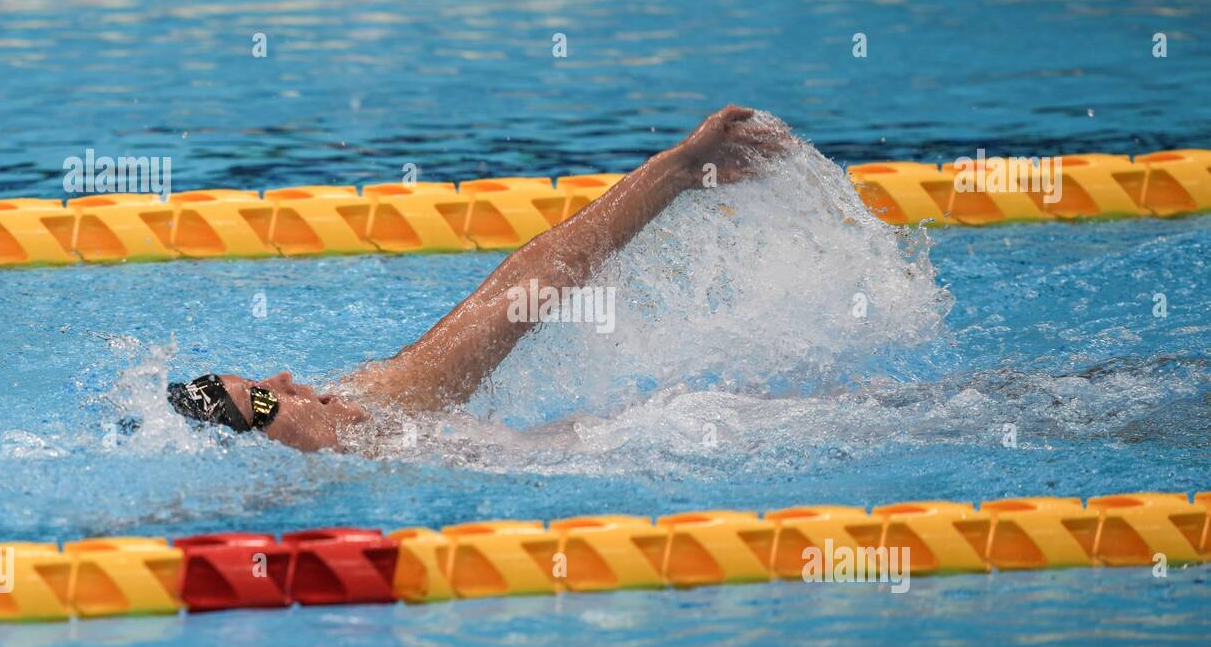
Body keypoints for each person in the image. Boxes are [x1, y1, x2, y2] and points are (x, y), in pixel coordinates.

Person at [168, 105, 789, 451]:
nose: (283, 380)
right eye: (268, 401)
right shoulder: (366, 454)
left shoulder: (379, 408)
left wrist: (675, 171)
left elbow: (517, 295)